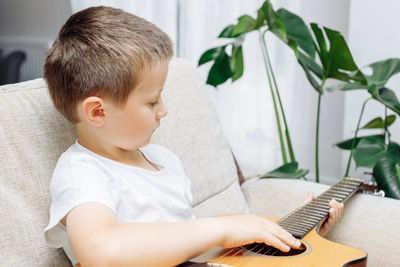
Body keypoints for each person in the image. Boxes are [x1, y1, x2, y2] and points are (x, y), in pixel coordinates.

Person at [43, 6, 344, 267]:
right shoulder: (83, 172)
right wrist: (220, 228)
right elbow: (101, 253)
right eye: (152, 102)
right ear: (97, 113)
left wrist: (288, 236)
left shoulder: (165, 160)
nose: (164, 110)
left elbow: (197, 253)